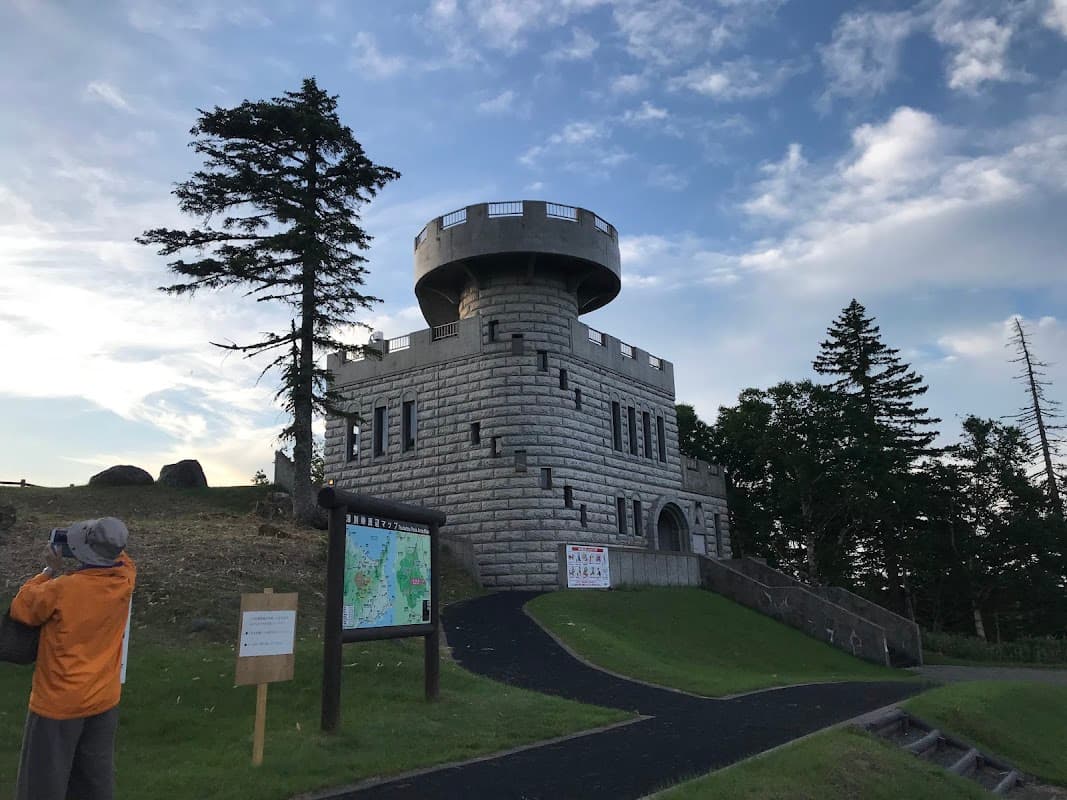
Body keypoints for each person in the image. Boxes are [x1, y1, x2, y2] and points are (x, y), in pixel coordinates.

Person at [10, 517, 136, 800]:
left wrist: (48, 570)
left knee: (42, 785)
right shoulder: (126, 579)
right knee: (93, 782)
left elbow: (22, 607)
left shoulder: (61, 589)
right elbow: (120, 555)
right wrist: (104, 543)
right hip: (104, 699)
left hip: (58, 704)